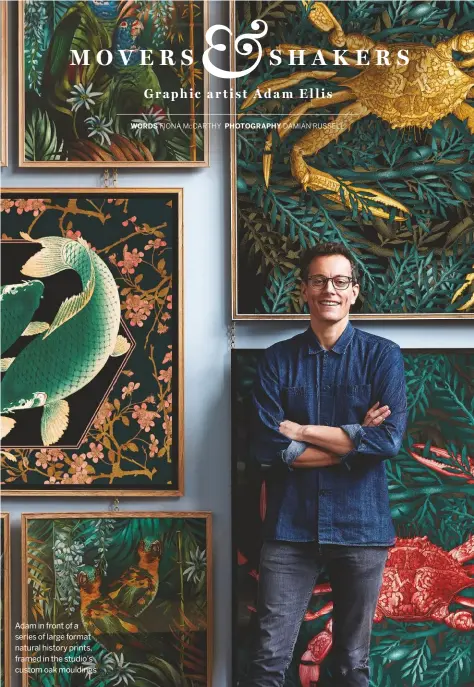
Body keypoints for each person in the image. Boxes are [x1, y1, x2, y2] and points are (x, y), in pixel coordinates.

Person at [244, 242, 408, 687]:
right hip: (289, 529)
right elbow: (266, 448)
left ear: (354, 292)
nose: (328, 290)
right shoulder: (277, 359)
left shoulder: (383, 356)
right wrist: (355, 436)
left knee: (352, 665)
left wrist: (299, 431)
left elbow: (388, 441)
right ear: (304, 291)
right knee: (266, 659)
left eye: (339, 281)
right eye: (318, 280)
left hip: (361, 528)